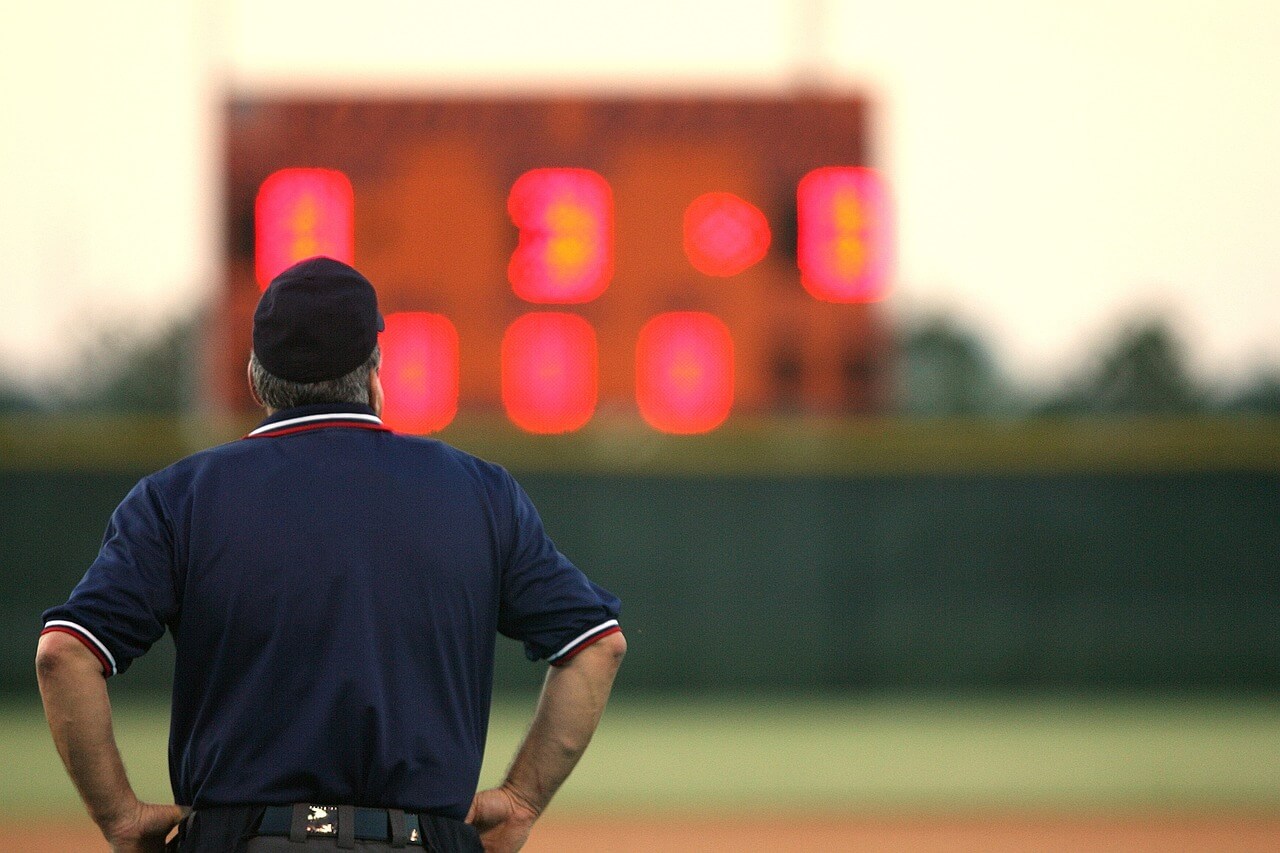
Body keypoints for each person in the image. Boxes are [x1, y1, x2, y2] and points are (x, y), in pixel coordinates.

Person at [35, 256, 625, 852]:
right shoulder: (480, 493)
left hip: (241, 840)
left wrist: (120, 816)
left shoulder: (176, 498)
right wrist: (521, 801)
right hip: (418, 841)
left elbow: (65, 655)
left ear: (253, 376)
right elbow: (596, 644)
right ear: (375, 373)